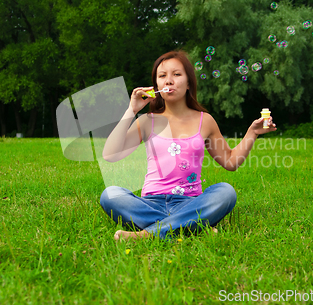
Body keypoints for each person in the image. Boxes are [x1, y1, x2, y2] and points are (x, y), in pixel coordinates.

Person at [100, 50, 277, 241]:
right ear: (156, 85)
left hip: (190, 202)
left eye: (176, 74)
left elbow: (231, 162)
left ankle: (147, 234)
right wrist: (131, 110)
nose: (169, 80)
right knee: (110, 194)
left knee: (226, 191)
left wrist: (252, 133)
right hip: (150, 203)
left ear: (189, 83)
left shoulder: (205, 121)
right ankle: (192, 226)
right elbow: (110, 154)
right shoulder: (146, 121)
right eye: (162, 76)